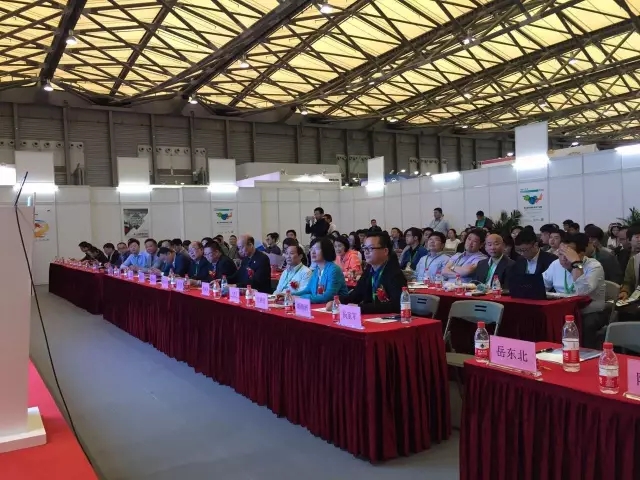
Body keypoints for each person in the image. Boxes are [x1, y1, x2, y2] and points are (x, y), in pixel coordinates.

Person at [543, 233, 606, 348]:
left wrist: (576, 264)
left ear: (581, 254)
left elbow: (582, 292)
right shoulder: (555, 264)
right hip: (562, 310)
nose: (562, 258)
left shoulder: (594, 266)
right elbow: (541, 285)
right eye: (560, 253)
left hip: (588, 312)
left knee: (586, 324)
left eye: (568, 254)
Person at [328, 232, 407, 314]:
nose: (366, 252)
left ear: (385, 251)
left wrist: (361, 308)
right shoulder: (369, 270)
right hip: (372, 317)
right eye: (365, 248)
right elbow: (356, 295)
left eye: (371, 248)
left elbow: (396, 305)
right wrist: (338, 301)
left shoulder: (395, 274)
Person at [295, 237, 348, 303]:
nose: (313, 252)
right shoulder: (316, 270)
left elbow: (328, 297)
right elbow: (308, 290)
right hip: (319, 306)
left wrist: (299, 298)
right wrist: (289, 294)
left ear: (326, 250)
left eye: (317, 249)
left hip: (336, 307)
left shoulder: (334, 270)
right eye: (311, 249)